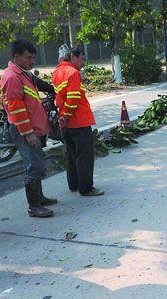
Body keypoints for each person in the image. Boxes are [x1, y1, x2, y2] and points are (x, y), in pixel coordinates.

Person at [0, 40, 57, 218]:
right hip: (25, 131)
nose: (32, 61)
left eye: (33, 57)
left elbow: (34, 91)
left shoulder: (23, 73)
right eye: (28, 58)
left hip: (34, 129)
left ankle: (39, 198)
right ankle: (34, 206)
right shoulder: (12, 77)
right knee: (33, 165)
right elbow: (15, 108)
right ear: (16, 57)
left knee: (37, 162)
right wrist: (28, 132)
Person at [52, 48, 104, 197]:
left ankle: (74, 184)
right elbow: (73, 97)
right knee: (84, 156)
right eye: (81, 59)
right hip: (78, 122)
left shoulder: (56, 72)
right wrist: (67, 116)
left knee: (71, 154)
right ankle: (86, 188)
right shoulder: (73, 73)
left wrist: (64, 118)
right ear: (72, 57)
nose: (83, 63)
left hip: (65, 123)